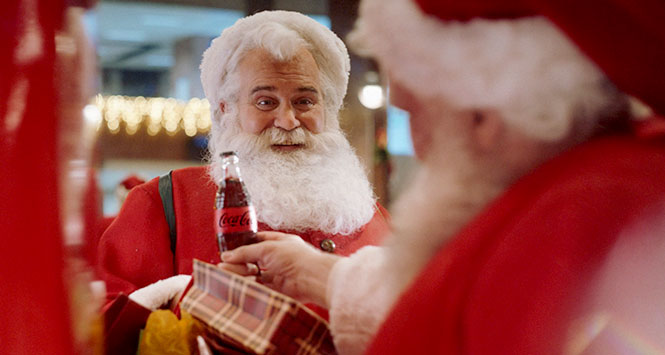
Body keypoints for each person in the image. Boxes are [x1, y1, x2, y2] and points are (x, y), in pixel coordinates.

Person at [219, 0, 665, 353]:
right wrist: (321, 274)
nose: (418, 145)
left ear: (483, 111)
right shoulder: (584, 191)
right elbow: (475, 310)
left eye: (417, 114)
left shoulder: (572, 221)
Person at [97, 10, 390, 314]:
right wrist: (196, 300)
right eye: (265, 102)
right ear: (226, 109)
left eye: (304, 101)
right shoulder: (163, 202)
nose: (288, 121)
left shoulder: (367, 213)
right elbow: (102, 326)